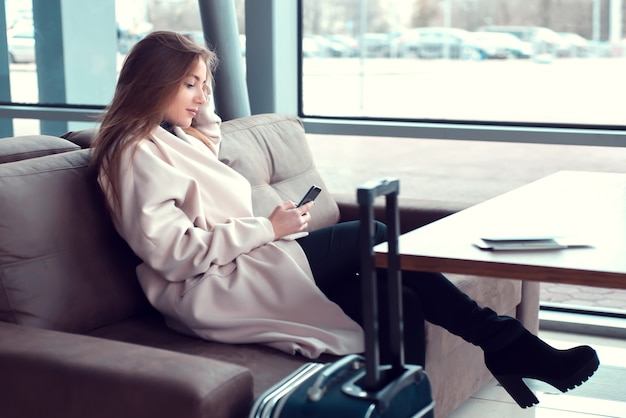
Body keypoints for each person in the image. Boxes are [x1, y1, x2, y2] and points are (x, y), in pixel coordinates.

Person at [91, 31, 598, 409]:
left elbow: (204, 148)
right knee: (375, 235)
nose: (202, 97)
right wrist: (268, 228)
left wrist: (199, 112)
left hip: (251, 263)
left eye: (205, 84)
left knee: (398, 297)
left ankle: (411, 404)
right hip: (217, 285)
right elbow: (172, 255)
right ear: (154, 82)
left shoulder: (174, 138)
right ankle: (511, 345)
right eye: (190, 84)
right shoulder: (134, 153)